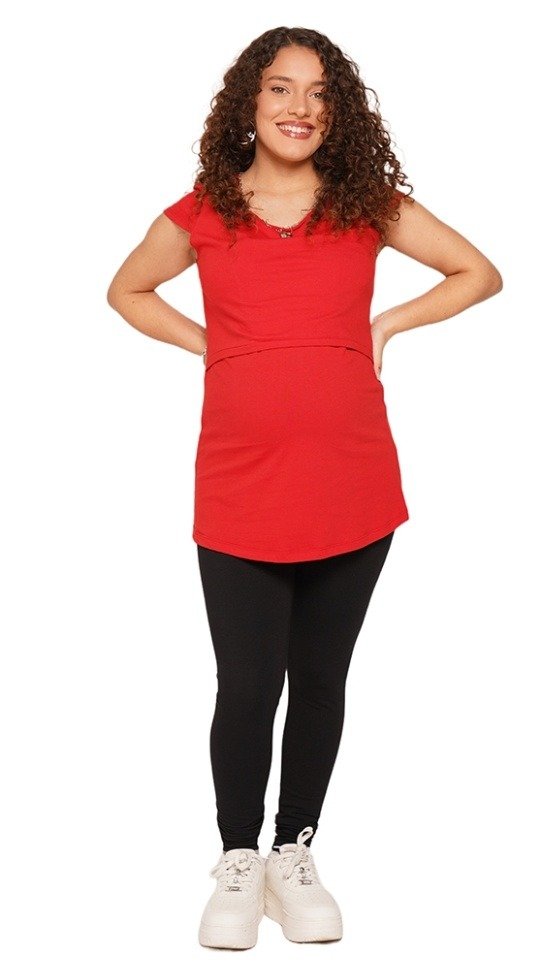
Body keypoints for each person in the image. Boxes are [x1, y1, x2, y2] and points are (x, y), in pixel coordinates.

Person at [107, 26, 503, 950]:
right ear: (249, 100)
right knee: (246, 684)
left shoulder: (365, 204)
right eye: (281, 88)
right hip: (239, 487)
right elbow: (127, 290)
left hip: (353, 482)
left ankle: (295, 850)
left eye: (320, 93)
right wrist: (212, 346)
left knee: (320, 678)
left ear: (338, 111)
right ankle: (237, 858)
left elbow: (478, 273)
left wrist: (386, 324)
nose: (299, 108)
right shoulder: (205, 210)